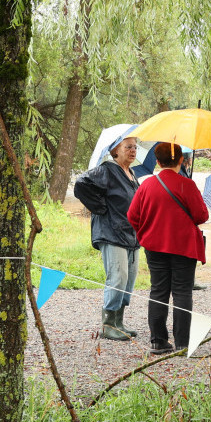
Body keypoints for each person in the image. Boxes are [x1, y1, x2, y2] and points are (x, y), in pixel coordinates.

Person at [127, 142, 210, 355]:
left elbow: (132, 216)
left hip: (154, 246)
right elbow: (202, 216)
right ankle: (182, 343)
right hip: (184, 247)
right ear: (181, 160)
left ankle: (158, 341)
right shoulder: (187, 185)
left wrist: (146, 232)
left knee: (158, 291)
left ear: (157, 161)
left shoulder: (146, 185)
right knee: (182, 292)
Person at [72, 135, 141, 342]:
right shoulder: (106, 170)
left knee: (129, 279)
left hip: (131, 234)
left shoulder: (132, 173)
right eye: (128, 147)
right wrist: (100, 207)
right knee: (117, 277)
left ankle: (119, 322)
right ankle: (108, 324)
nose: (133, 150)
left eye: (135, 147)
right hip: (112, 232)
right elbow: (81, 183)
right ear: (115, 151)